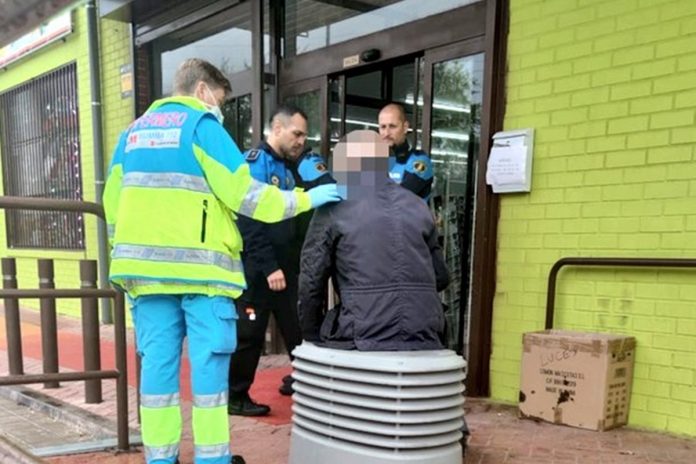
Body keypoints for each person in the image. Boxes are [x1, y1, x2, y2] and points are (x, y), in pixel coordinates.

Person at [103, 59, 341, 464]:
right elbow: (247, 196)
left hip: (145, 279)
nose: (220, 109)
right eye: (221, 100)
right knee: (210, 378)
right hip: (202, 277)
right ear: (201, 91)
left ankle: (160, 459)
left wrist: (126, 269)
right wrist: (307, 199)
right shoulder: (201, 128)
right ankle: (212, 460)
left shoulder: (131, 135)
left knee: (157, 377)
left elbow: (113, 205)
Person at [297, 130, 449, 351]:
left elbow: (311, 281)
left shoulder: (334, 206)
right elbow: (441, 277)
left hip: (361, 332)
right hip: (426, 332)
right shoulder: (418, 206)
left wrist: (310, 333)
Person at [228, 106, 336, 416]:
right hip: (261, 270)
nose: (302, 140)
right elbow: (249, 221)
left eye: (304, 135)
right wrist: (269, 266)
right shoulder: (256, 164)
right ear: (277, 129)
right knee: (248, 336)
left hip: (288, 269)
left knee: (299, 331)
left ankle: (309, 386)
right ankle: (235, 397)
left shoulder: (291, 168)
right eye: (297, 133)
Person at [378, 102, 434, 200]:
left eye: (392, 126)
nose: (386, 133)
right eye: (383, 127)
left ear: (405, 128)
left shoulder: (418, 161)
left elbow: (398, 198)